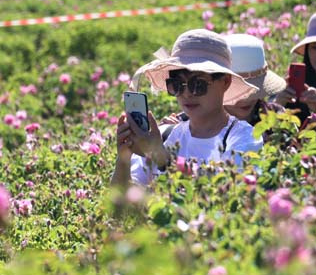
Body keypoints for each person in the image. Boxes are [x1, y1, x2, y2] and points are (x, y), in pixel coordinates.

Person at [111, 29, 263, 186]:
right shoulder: (164, 136)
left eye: (198, 84)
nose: (187, 94)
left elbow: (225, 190)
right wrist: (124, 158)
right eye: (176, 85)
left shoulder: (245, 137)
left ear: (225, 82)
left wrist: (162, 158)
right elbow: (123, 204)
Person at [159, 33, 286, 138]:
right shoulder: (184, 124)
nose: (245, 99)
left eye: (253, 92)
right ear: (224, 84)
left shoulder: (278, 116)